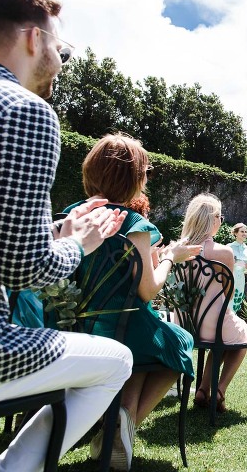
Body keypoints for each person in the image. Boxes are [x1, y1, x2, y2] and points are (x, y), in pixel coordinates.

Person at [0, 0, 133, 472]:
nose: (61, 60)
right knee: (116, 362)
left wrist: (59, 231)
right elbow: (24, 270)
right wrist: (81, 243)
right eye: (60, 45)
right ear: (32, 38)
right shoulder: (24, 112)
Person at [64, 133, 201, 470]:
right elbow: (148, 291)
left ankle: (115, 428)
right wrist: (170, 257)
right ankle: (124, 426)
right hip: (124, 330)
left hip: (78, 329)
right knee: (179, 340)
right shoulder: (135, 224)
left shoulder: (73, 214)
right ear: (133, 179)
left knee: (150, 336)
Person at [180, 195, 247, 412]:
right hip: (213, 321)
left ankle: (203, 390)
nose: (221, 221)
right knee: (240, 336)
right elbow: (228, 294)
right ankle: (219, 391)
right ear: (213, 220)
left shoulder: (178, 249)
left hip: (186, 323)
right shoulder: (223, 252)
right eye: (220, 217)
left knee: (224, 335)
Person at [230, 222, 247, 313]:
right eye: (242, 231)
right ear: (236, 233)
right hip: (230, 276)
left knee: (237, 300)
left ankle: (233, 320)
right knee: (228, 299)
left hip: (240, 278)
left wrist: (245, 266)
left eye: (246, 232)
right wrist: (239, 263)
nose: (244, 233)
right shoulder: (229, 247)